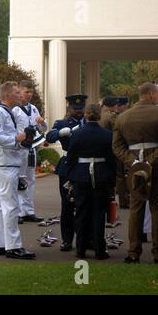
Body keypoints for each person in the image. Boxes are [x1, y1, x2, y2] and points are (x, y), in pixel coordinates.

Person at [0, 81, 35, 260]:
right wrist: (17, 138)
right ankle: (14, 246)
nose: (19, 94)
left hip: (7, 162)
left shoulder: (7, 112)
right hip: (5, 163)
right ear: (7, 95)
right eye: (16, 92)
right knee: (11, 206)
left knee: (1, 206)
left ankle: (0, 243)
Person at [113, 82, 158, 264]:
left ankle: (133, 252)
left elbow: (117, 146)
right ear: (152, 95)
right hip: (155, 166)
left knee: (136, 210)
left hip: (134, 168)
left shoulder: (123, 117)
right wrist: (149, 161)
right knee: (156, 208)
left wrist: (133, 162)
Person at [66, 104, 116, 260]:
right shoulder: (107, 134)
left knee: (81, 212)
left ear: (86, 115)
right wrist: (112, 179)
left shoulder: (78, 133)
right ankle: (99, 250)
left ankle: (80, 249)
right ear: (99, 116)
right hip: (101, 175)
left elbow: (71, 157)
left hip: (81, 175)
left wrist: (71, 177)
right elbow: (111, 159)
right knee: (99, 213)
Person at [46, 94, 87, 251]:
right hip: (69, 166)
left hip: (83, 165)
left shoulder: (88, 122)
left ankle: (85, 238)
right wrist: (60, 133)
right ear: (69, 107)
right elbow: (49, 136)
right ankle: (67, 240)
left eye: (81, 108)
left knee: (85, 205)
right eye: (75, 108)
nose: (79, 111)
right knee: (68, 204)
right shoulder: (62, 122)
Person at [14, 80, 47, 223]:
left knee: (30, 180)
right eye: (26, 92)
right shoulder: (14, 110)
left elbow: (43, 129)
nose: (29, 95)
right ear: (19, 92)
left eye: (31, 92)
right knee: (18, 179)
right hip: (19, 149)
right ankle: (19, 212)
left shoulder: (33, 108)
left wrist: (41, 122)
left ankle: (28, 211)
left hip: (31, 148)